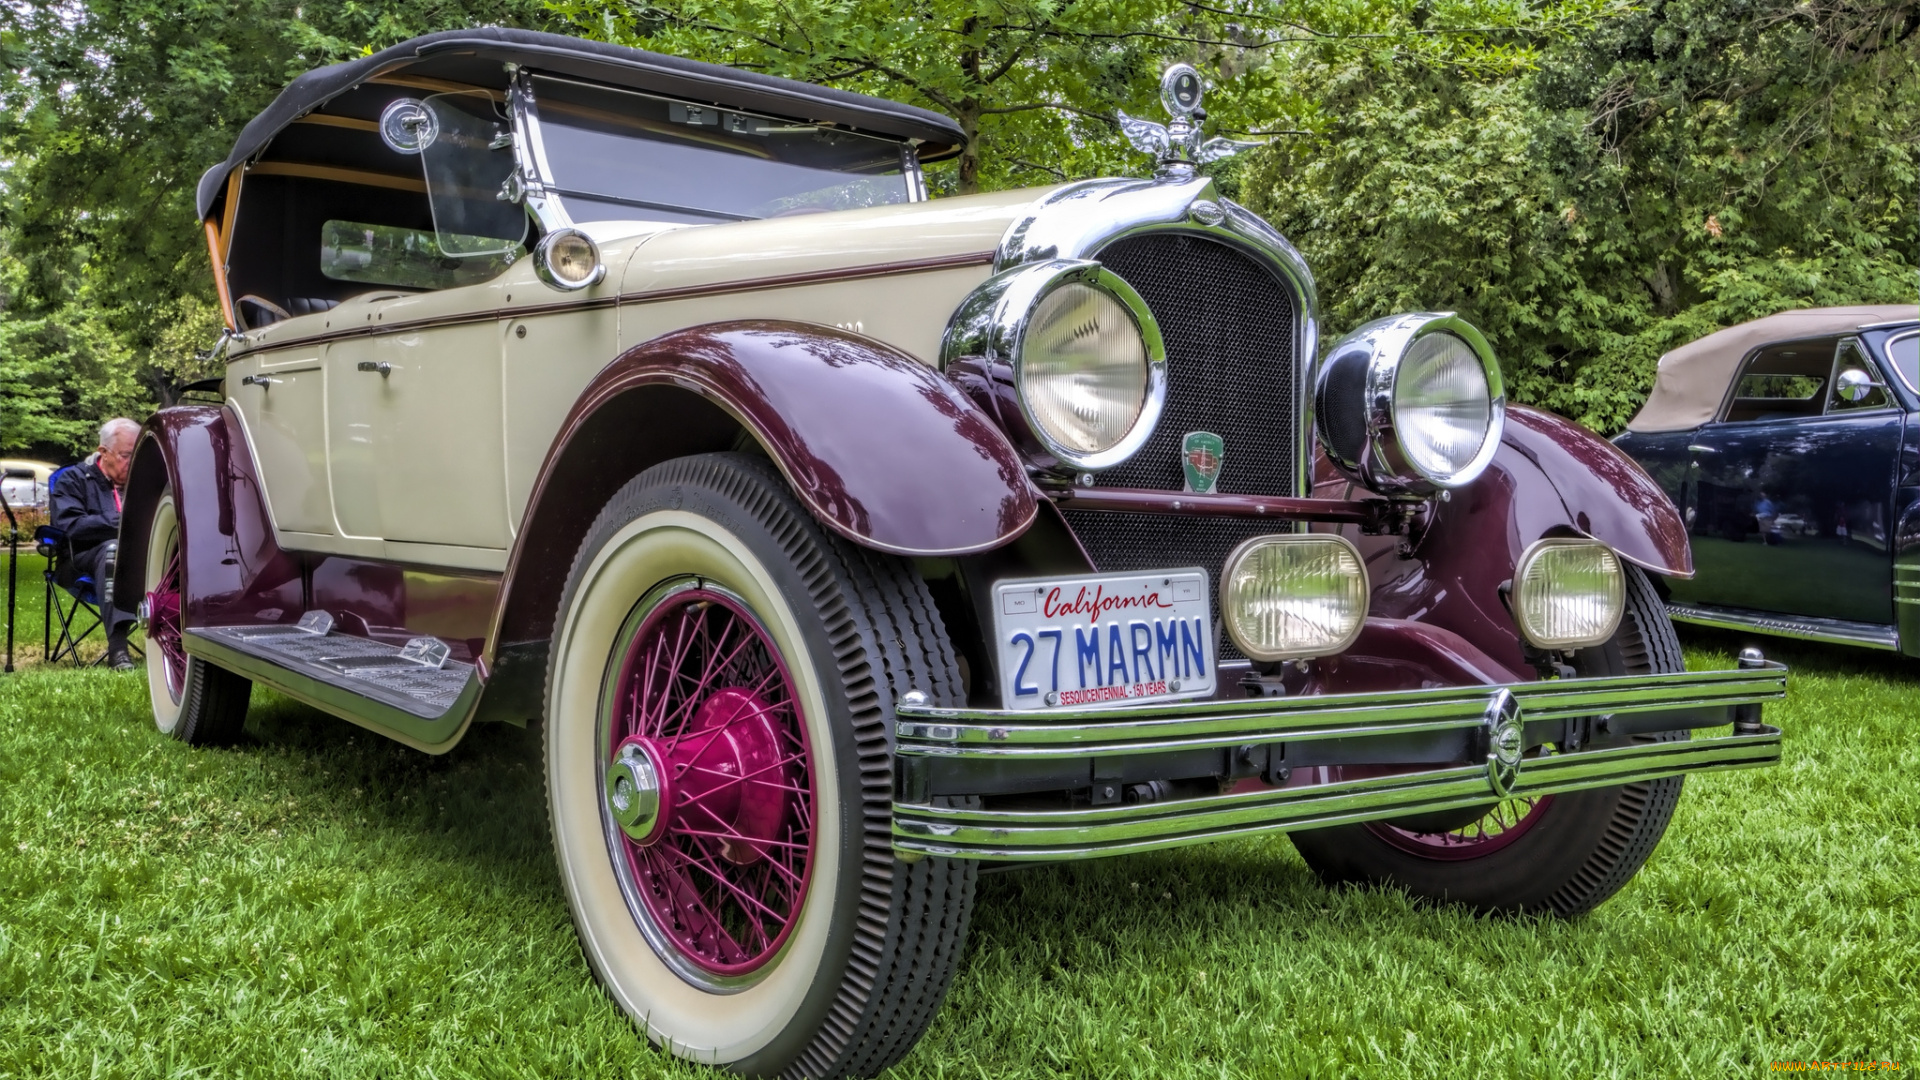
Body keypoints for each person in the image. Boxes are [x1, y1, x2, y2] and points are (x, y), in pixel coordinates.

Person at [50, 418, 140, 669]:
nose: (132, 463)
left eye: (138, 455)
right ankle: (118, 649)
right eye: (126, 455)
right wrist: (120, 522)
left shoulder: (143, 483)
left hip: (141, 560)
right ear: (103, 452)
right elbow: (69, 526)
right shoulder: (73, 479)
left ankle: (184, 646)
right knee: (113, 550)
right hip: (81, 560)